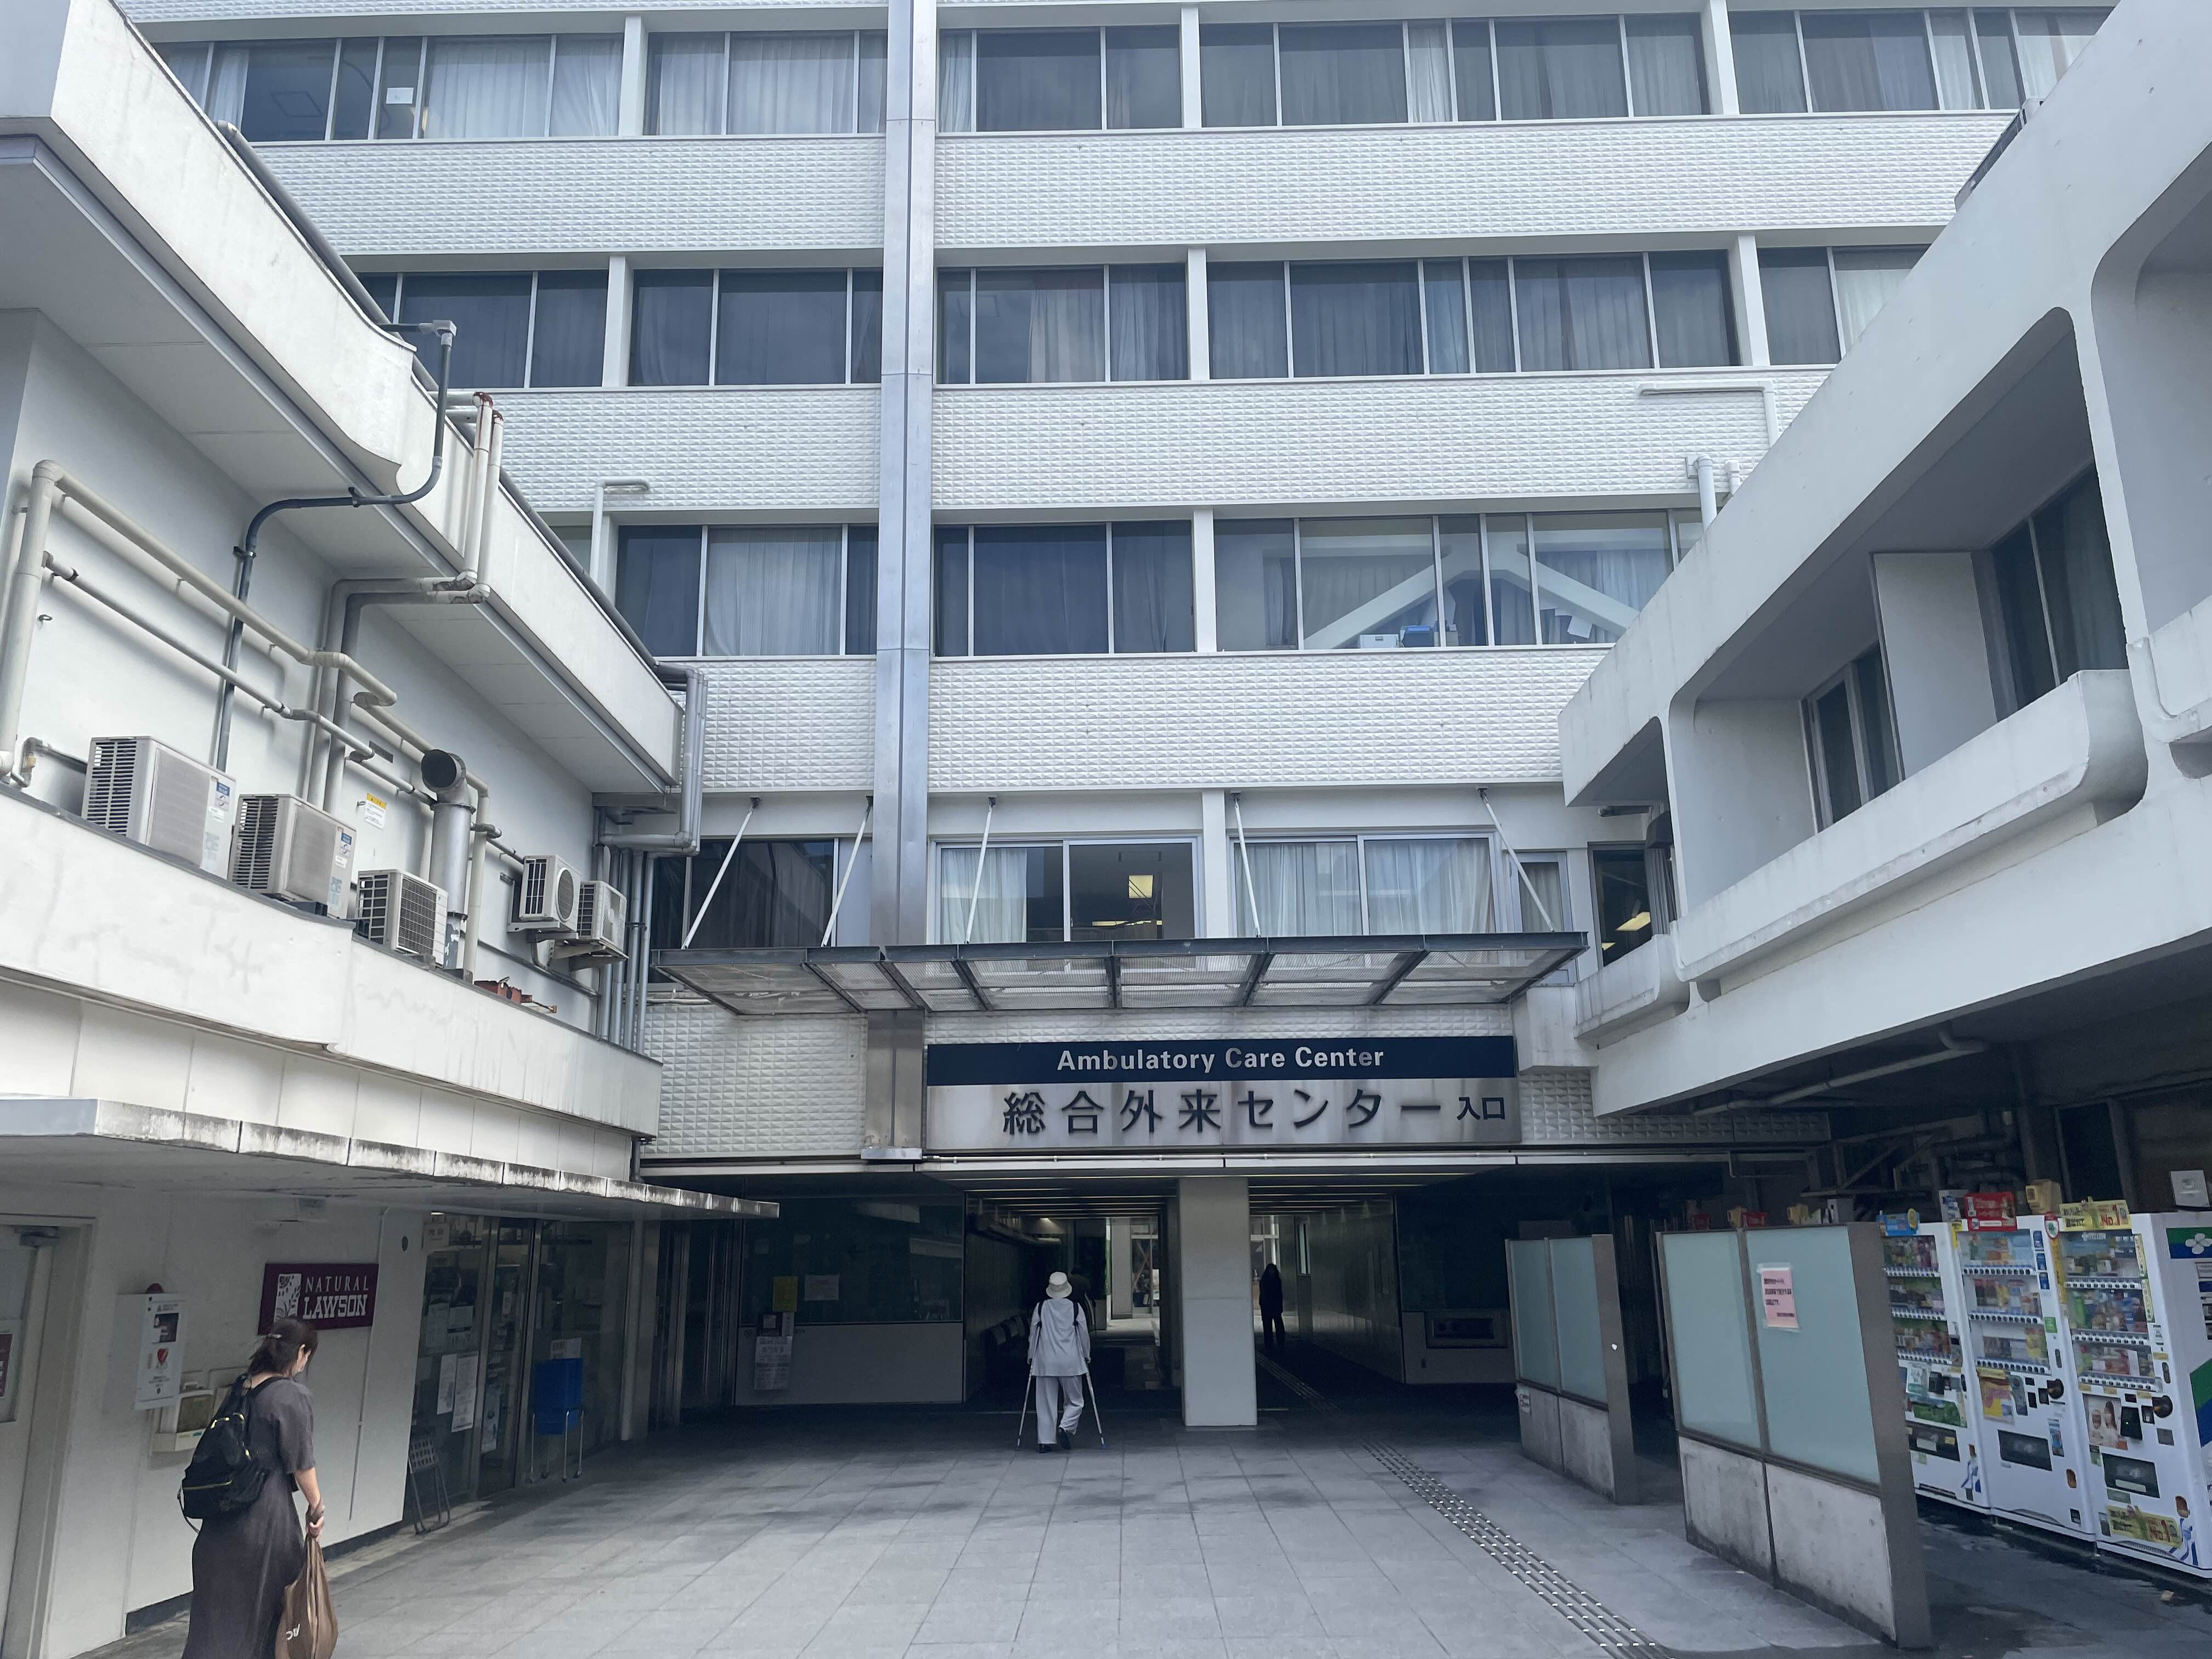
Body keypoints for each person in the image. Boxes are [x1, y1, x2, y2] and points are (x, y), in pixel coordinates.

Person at [184, 1318, 323, 1659]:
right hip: (265, 1523)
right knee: (268, 1620)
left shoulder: (241, 1387)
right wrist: (317, 1507)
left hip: (220, 1525)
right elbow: (302, 1464)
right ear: (301, 1353)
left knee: (213, 1625)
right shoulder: (291, 1395)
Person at [1028, 1271, 1090, 1453]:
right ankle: (1065, 1426)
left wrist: (1031, 1356)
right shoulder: (1076, 1308)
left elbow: (1034, 1334)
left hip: (1045, 1362)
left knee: (1045, 1403)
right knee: (1076, 1401)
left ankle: (1045, 1442)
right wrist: (1086, 1355)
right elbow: (1084, 1334)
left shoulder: (1041, 1308)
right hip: (1071, 1362)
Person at [1258, 1261, 1286, 1352]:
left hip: (1267, 1306)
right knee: (1278, 1325)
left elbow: (1263, 1295)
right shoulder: (1277, 1281)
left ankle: (1269, 1344)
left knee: (1268, 1326)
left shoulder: (1264, 1281)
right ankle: (1280, 1343)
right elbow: (1279, 1294)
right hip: (1274, 1306)